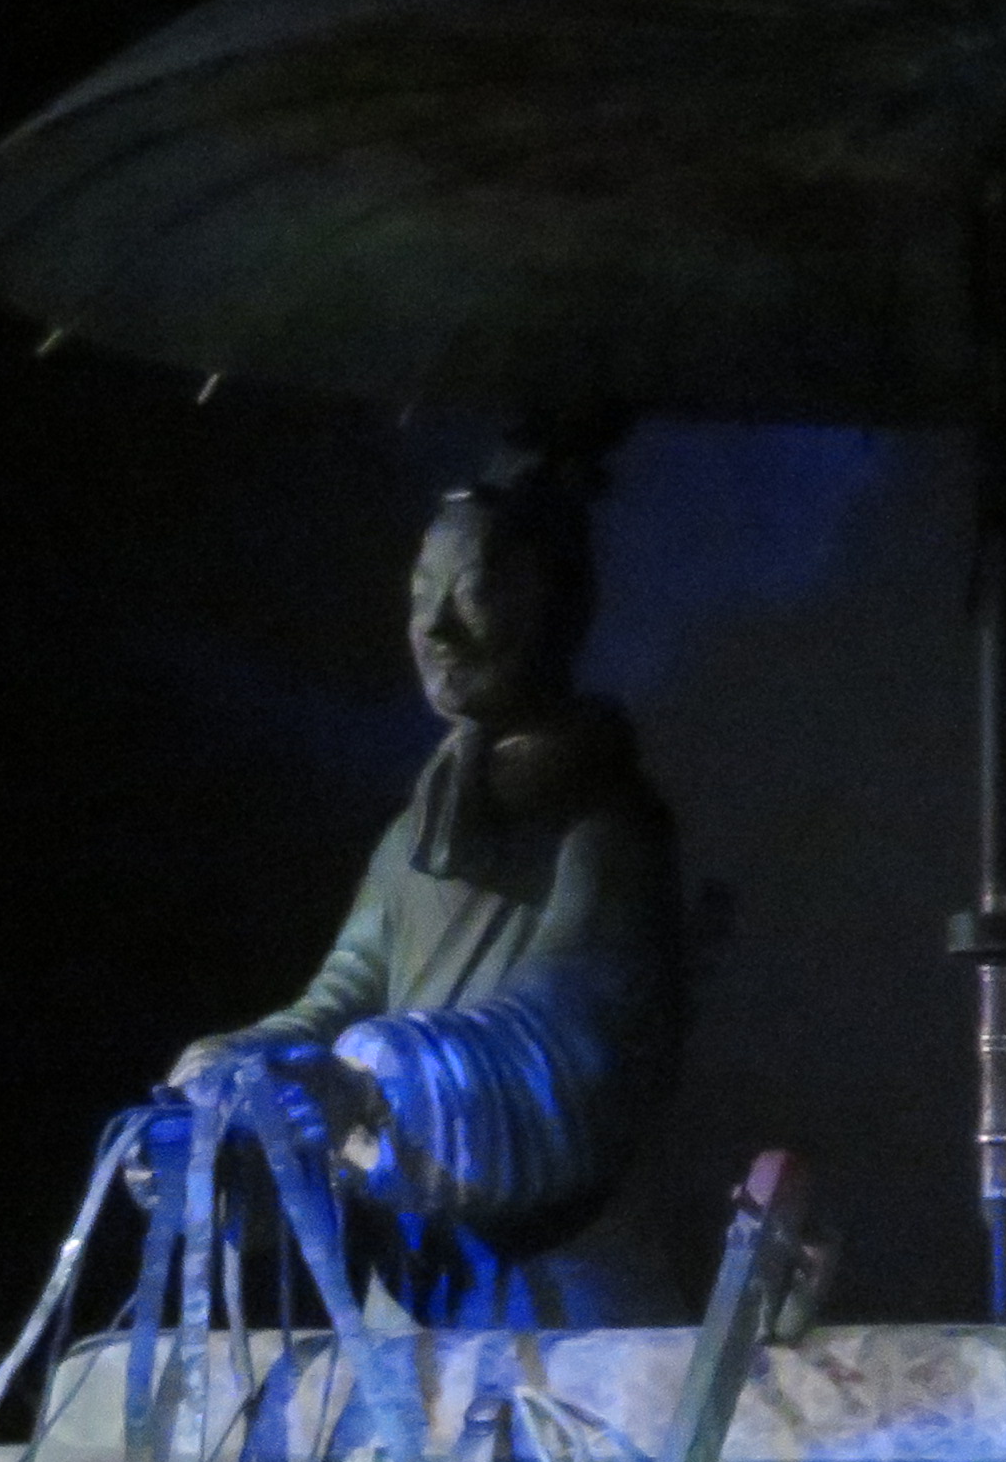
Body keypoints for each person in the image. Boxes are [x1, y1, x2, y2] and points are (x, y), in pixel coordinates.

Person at [170, 424, 688, 1324]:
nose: (436, 628)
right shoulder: (414, 836)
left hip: (561, 1297)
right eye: (421, 595)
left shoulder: (609, 828)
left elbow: (566, 1043)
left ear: (555, 607)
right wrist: (241, 1073)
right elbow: (345, 995)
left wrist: (371, 1088)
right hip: (410, 1292)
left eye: (476, 591)